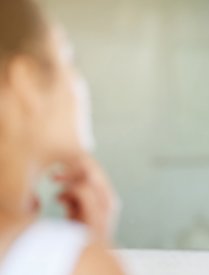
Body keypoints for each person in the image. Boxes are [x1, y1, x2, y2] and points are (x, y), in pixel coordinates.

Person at [0, 0, 124, 274]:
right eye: (69, 60)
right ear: (27, 80)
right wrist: (88, 249)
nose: (80, 85)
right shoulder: (76, 260)